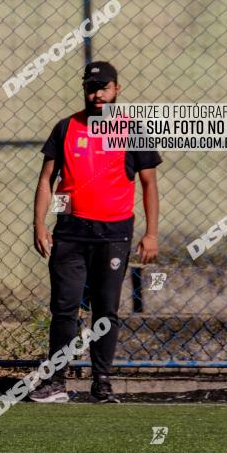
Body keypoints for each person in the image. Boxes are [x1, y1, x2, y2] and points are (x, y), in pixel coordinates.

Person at [31, 61, 160, 403]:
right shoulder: (66, 128)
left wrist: (151, 233)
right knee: (65, 308)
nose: (97, 93)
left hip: (114, 235)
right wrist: (41, 223)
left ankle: (102, 382)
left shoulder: (131, 130)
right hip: (70, 235)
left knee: (106, 310)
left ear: (117, 89)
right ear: (84, 89)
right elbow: (48, 180)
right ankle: (56, 382)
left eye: (104, 87)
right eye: (92, 87)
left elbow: (148, 185)